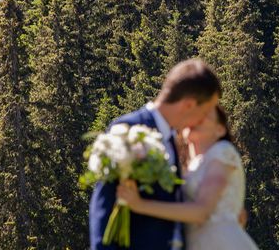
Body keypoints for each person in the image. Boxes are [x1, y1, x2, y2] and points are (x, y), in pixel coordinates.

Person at [89, 58, 221, 250]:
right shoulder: (128, 129)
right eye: (206, 111)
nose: (203, 120)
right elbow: (104, 202)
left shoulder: (171, 138)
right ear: (189, 105)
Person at [117, 105, 259, 250]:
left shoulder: (223, 151)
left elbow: (201, 212)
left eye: (204, 116)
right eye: (193, 115)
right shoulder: (186, 168)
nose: (196, 120)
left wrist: (140, 205)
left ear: (220, 129)